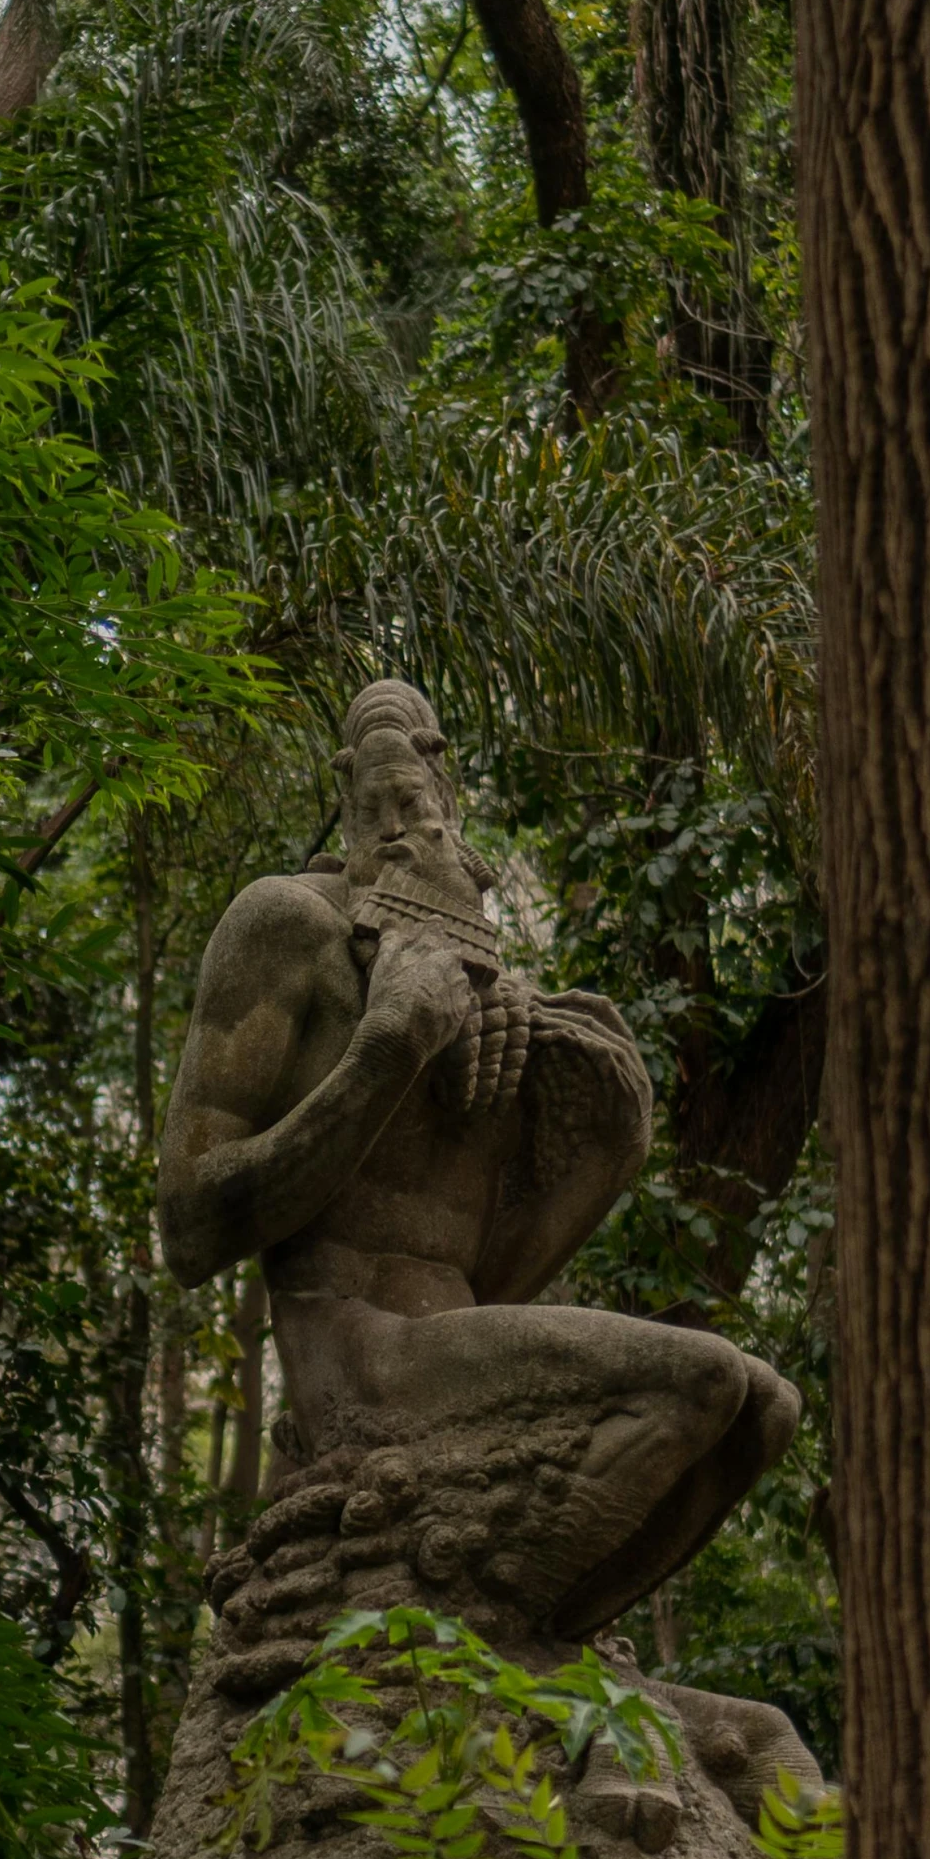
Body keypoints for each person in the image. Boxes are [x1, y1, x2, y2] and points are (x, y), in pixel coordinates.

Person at [159, 679, 798, 1636]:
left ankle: (550, 1645)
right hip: (352, 1350)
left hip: (451, 1340)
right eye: (373, 808)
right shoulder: (286, 924)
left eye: (415, 802)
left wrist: (611, 1144)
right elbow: (187, 1224)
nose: (399, 827)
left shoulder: (503, 998)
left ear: (449, 802)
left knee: (766, 1411)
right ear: (344, 804)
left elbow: (496, 1276)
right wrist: (382, 1056)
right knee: (699, 1379)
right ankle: (490, 1635)